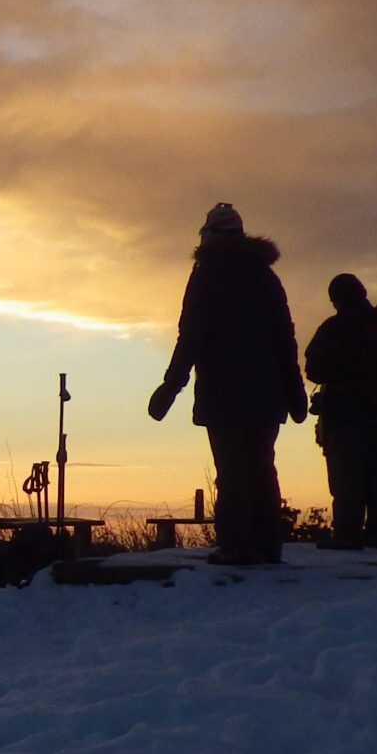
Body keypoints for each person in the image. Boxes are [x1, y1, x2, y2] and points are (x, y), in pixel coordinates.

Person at [147, 202, 306, 564]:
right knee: (261, 466)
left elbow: (190, 336)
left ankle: (238, 546)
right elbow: (285, 337)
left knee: (233, 470)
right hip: (266, 394)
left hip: (224, 393)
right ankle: (266, 545)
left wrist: (170, 387)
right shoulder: (266, 277)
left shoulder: (207, 275)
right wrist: (294, 392)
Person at [303, 273, 377, 548]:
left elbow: (314, 369)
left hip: (344, 414)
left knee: (347, 478)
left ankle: (348, 533)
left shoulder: (334, 328)